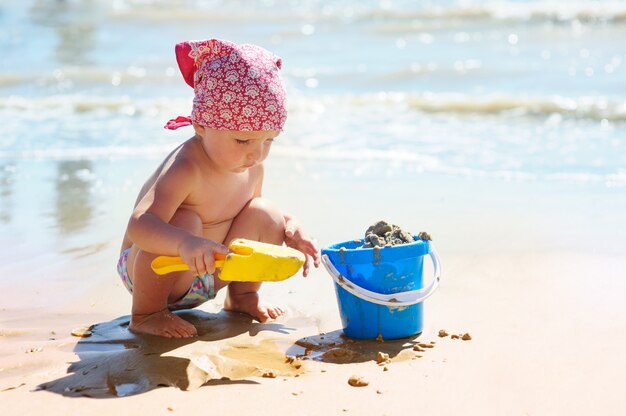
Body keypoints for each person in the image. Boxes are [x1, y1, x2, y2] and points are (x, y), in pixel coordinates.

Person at [117, 38, 320, 338]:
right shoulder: (187, 167)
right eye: (243, 140)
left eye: (269, 140)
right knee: (187, 221)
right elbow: (140, 225)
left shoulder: (252, 166)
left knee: (266, 214)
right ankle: (147, 314)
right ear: (201, 125)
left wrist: (291, 228)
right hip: (156, 272)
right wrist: (182, 244)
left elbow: (246, 220)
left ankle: (242, 297)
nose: (257, 153)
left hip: (210, 274)